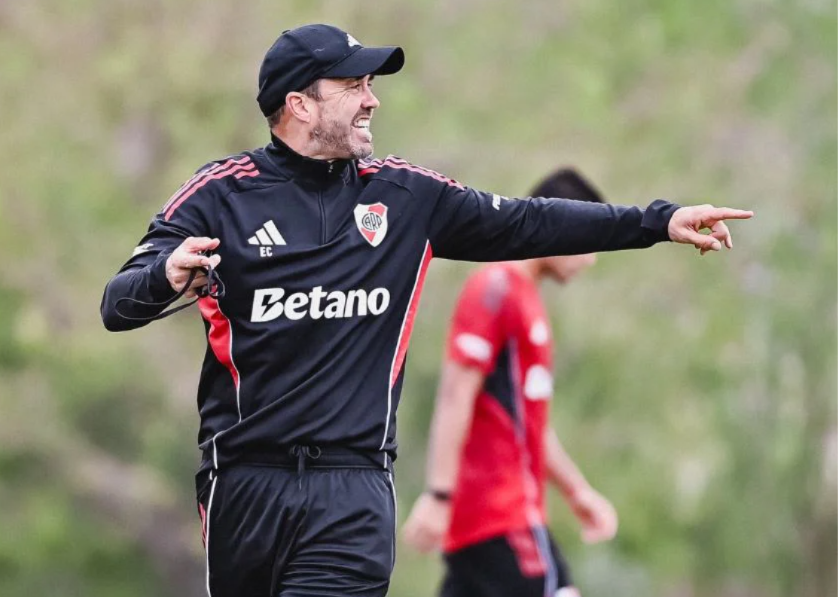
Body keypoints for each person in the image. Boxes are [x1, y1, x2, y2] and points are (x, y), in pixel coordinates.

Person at [100, 23, 752, 597]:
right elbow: (117, 303)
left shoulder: (408, 197)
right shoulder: (220, 195)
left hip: (350, 491)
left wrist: (658, 221)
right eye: (354, 84)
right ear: (299, 103)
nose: (372, 98)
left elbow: (531, 222)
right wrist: (164, 274)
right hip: (244, 486)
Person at [402, 168, 620, 597]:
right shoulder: (496, 287)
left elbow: (529, 425)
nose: (591, 259)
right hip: (500, 515)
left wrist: (577, 492)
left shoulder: (527, 300)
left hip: (489, 523)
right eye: (590, 242)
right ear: (560, 226)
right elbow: (454, 394)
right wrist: (438, 496)